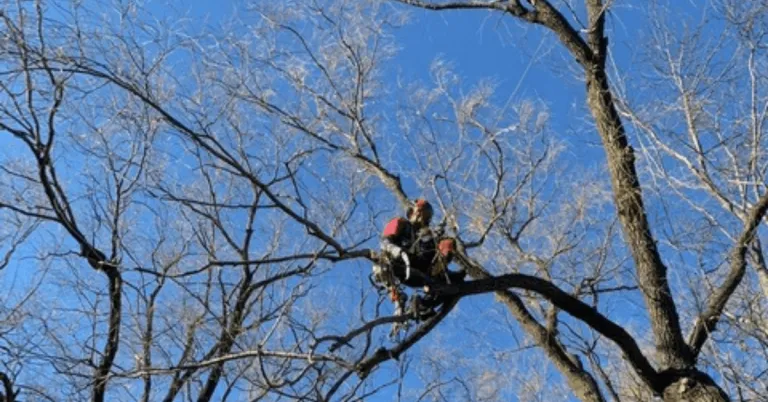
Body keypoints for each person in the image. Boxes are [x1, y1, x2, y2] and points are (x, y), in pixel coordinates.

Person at [372, 199, 465, 330]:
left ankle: (424, 303)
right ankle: (433, 285)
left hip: (420, 269)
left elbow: (430, 249)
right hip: (400, 265)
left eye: (426, 216)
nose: (422, 218)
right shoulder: (401, 223)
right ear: (412, 213)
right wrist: (397, 251)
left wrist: (437, 237)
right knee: (426, 240)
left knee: (446, 244)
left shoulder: (423, 235)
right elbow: (385, 241)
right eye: (420, 213)